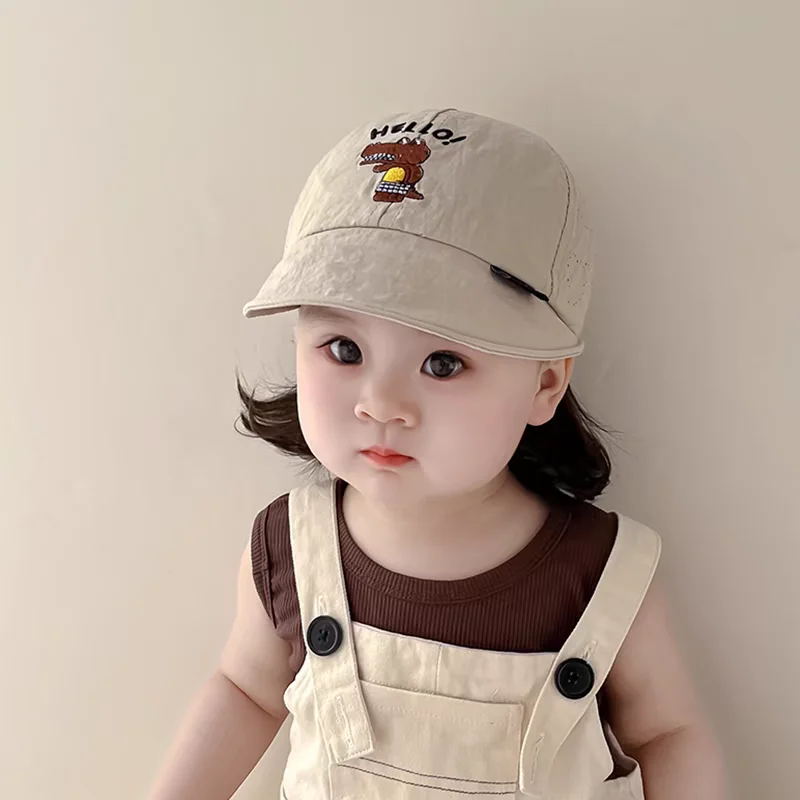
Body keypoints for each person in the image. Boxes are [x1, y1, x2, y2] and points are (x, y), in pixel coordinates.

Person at [149, 109, 726, 799]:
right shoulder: (292, 551)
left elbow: (667, 733)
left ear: (545, 382)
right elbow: (245, 690)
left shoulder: (602, 575)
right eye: (344, 350)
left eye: (444, 362)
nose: (381, 403)